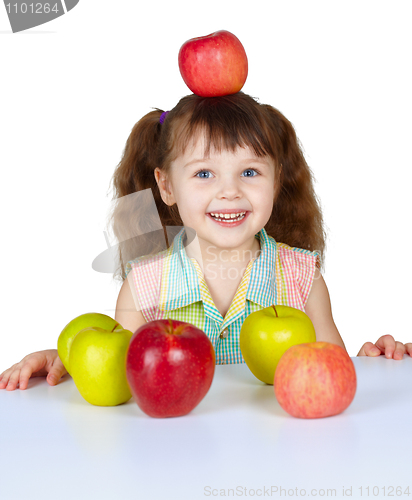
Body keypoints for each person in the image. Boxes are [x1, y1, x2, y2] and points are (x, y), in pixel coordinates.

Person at [1, 92, 411, 391]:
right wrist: (70, 361)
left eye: (249, 172)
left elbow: (334, 375)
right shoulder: (145, 286)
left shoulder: (301, 279)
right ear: (166, 186)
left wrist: (377, 361)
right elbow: (119, 377)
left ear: (277, 177)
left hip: (278, 455)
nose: (229, 191)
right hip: (175, 458)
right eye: (203, 174)